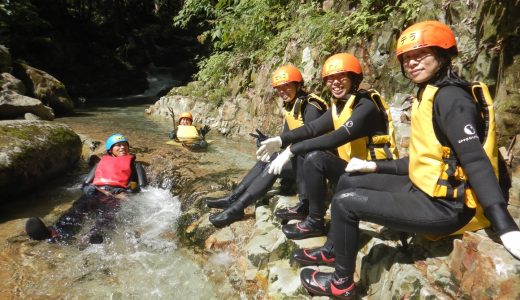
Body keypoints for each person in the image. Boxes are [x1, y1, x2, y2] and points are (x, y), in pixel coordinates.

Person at [298, 20, 520, 299]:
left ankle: (341, 284)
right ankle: (333, 252)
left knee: (345, 203)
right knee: (347, 179)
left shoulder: (451, 98)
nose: (412, 63)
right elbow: (425, 160)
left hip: (447, 207)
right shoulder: (428, 93)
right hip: (423, 189)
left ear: (442, 55)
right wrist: (374, 165)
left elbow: (475, 161)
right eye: (407, 58)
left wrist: (505, 224)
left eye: (421, 55)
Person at [257, 53, 398, 240]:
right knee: (314, 155)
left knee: (315, 156)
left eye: (341, 77)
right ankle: (310, 214)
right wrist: (280, 140)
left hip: (374, 176)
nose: (335, 83)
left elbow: (335, 139)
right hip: (354, 171)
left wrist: (291, 150)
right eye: (330, 79)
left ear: (354, 78)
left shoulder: (365, 106)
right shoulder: (341, 106)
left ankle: (315, 222)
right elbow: (312, 128)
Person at [207, 64, 328, 228]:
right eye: (280, 88)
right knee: (266, 158)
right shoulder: (292, 105)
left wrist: (283, 153)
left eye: (287, 87)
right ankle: (233, 198)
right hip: (300, 158)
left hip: (314, 165)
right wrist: (269, 141)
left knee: (271, 164)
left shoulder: (311, 106)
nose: (283, 91)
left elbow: (311, 139)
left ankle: (238, 207)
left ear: (298, 85)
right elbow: (286, 138)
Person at [25, 133, 147, 244]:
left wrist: (125, 191)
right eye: (118, 146)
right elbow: (86, 184)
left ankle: (94, 235)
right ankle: (53, 233)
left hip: (115, 195)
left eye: (125, 145)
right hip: (95, 192)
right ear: (110, 150)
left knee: (106, 216)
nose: (122, 148)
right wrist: (94, 189)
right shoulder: (100, 164)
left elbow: (141, 186)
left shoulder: (135, 165)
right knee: (76, 211)